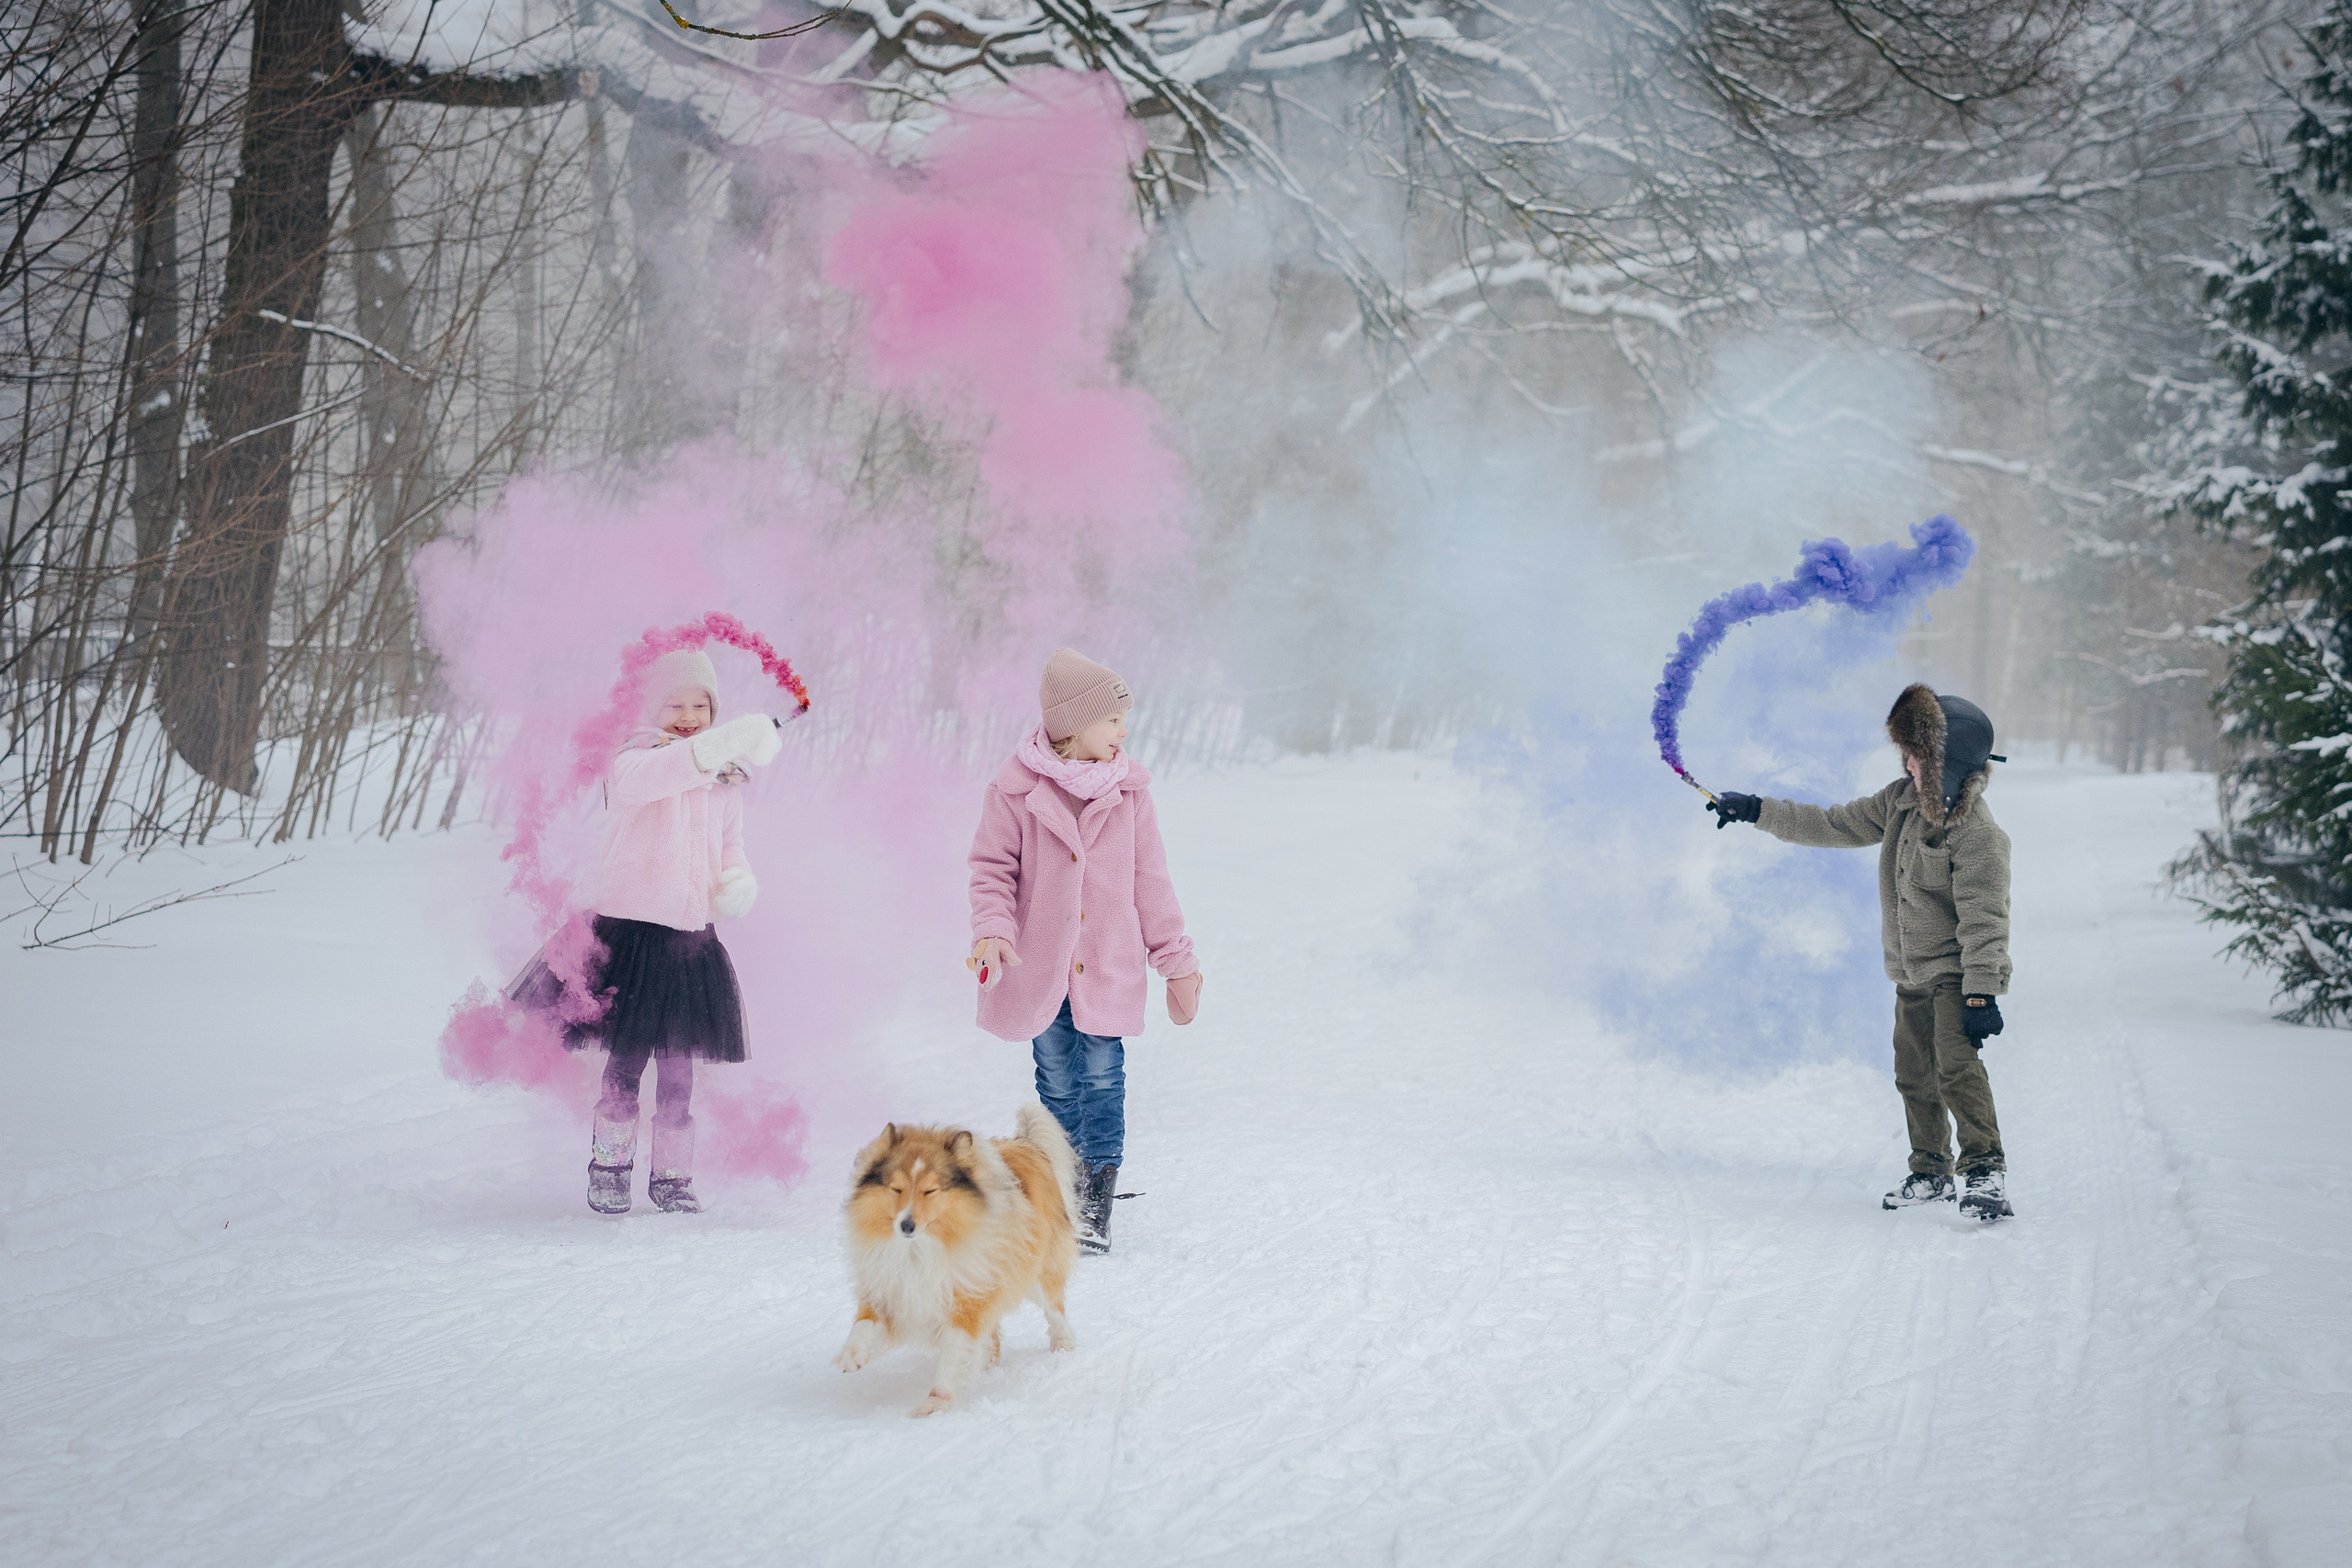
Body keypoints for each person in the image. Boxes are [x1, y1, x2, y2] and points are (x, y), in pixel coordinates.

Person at [1706, 683, 2016, 1223]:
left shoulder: (1978, 835)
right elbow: (1832, 824)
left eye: (1916, 754)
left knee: (1957, 1069)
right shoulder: (1898, 802)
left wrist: (1981, 992)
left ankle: (1984, 1169)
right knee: (1914, 1071)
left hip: (1954, 976)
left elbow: (1985, 918)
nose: (1906, 762)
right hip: (1910, 972)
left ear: (1946, 763)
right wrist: (1757, 810)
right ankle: (1930, 1169)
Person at [510, 647, 780, 1215]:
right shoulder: (633, 762)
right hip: (632, 940)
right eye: (673, 703)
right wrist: (716, 745)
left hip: (690, 946)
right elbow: (660, 776)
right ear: (649, 709)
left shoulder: (725, 780)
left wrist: (738, 880)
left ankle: (672, 1178)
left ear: (714, 709)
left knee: (679, 1078)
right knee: (625, 1065)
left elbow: (731, 844)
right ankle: (609, 1167)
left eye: (700, 705)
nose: (687, 714)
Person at [966, 649, 1204, 1255]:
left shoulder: (1129, 793)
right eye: (1113, 720)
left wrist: (1177, 960)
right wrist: (992, 929)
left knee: (1101, 1078)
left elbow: (1150, 879)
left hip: (1106, 966)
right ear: (1073, 726)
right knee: (1055, 1083)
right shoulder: (1014, 789)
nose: (1124, 733)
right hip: (1039, 971)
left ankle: (1095, 1203)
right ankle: (1061, 1197)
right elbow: (991, 869)